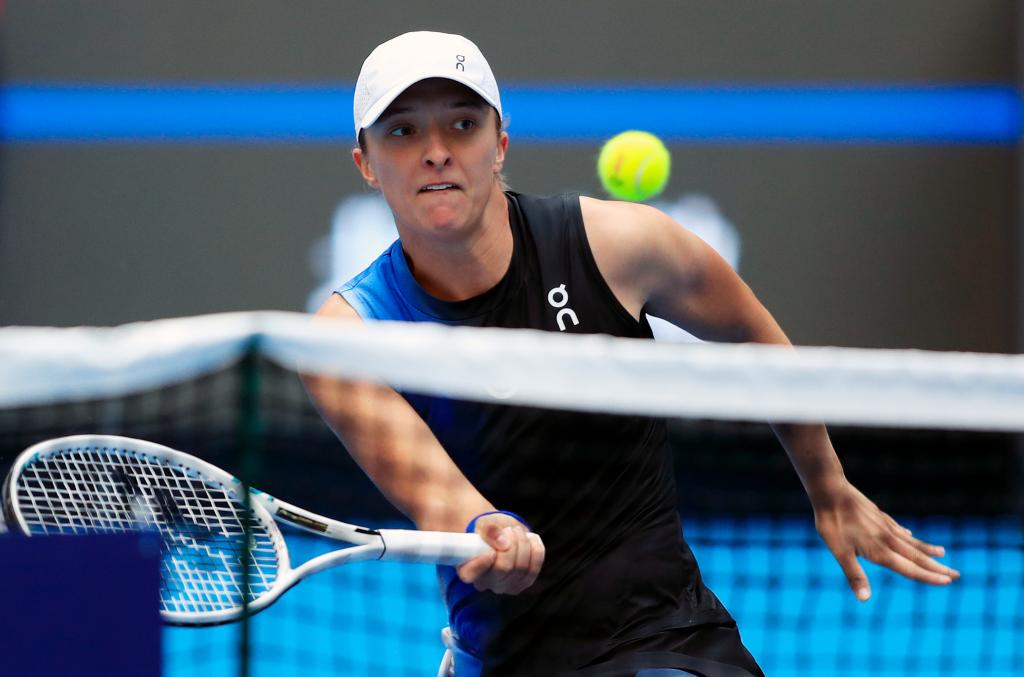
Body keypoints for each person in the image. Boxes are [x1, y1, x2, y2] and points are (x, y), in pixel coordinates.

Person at [305, 31, 960, 677]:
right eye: (403, 132)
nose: (437, 152)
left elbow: (758, 343)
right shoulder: (347, 338)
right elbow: (438, 495)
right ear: (366, 162)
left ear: (499, 144)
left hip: (665, 633)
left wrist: (828, 486)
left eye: (463, 124)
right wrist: (486, 529)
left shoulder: (620, 246)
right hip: (510, 655)